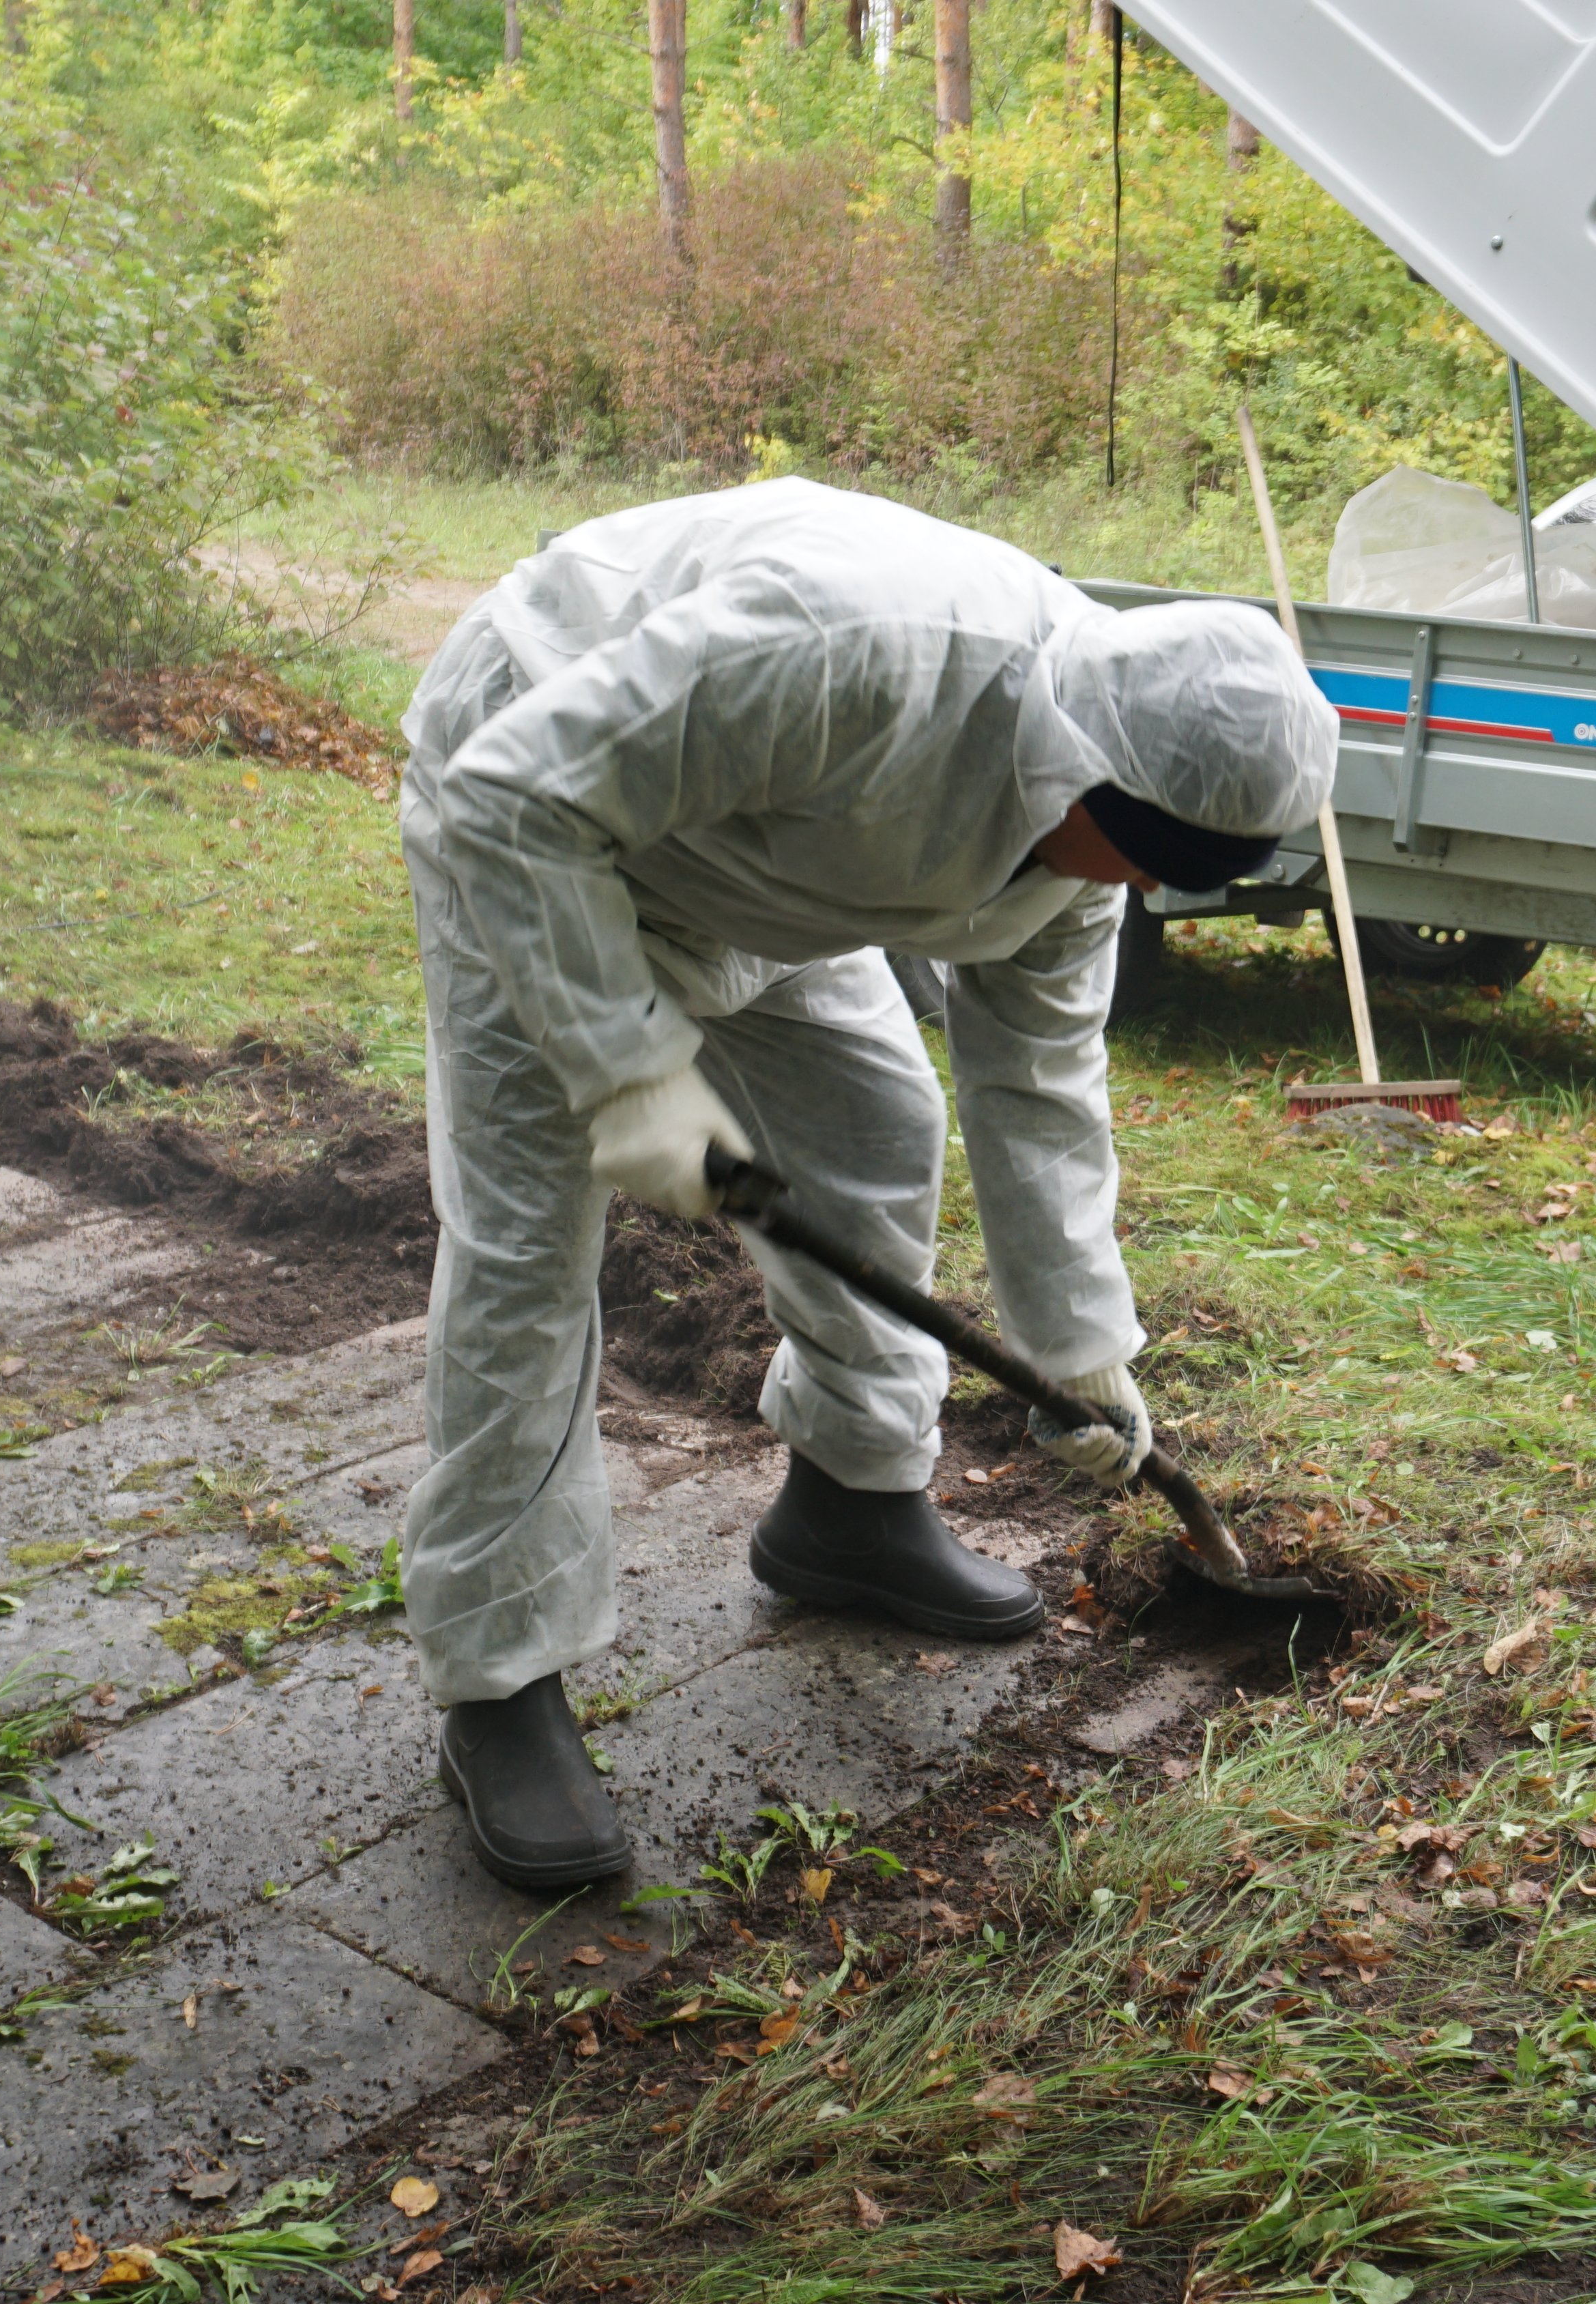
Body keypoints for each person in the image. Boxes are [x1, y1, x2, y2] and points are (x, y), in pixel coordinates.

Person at [393, 478, 1335, 1891]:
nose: (1128, 898)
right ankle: (499, 1675)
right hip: (542, 812)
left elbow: (1037, 1082)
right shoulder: (857, 654)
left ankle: (851, 1498)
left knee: (881, 1125)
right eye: (1133, 862)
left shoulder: (1108, 826)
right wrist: (631, 1070)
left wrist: (1083, 1355)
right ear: (1085, 771)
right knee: (533, 1249)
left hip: (775, 859)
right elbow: (513, 797)